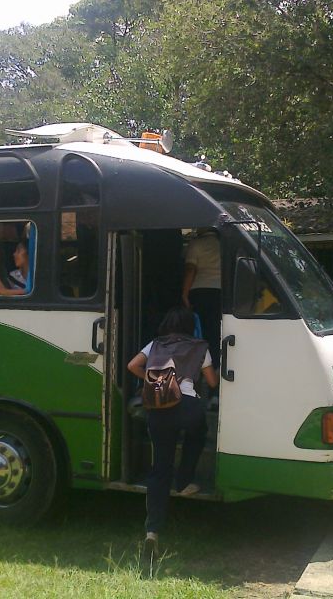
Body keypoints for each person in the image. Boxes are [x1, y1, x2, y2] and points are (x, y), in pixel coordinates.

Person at [127, 306, 219, 563]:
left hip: (160, 405)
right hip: (188, 405)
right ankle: (184, 482)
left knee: (160, 467)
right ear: (191, 326)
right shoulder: (200, 346)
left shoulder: (155, 344)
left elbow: (132, 365)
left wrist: (153, 380)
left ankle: (152, 532)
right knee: (197, 434)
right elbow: (212, 382)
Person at [182, 229, 221, 368]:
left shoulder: (196, 244)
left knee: (199, 331)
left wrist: (184, 294)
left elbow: (190, 270)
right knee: (215, 331)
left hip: (200, 292)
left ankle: (199, 366)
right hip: (219, 292)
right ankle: (214, 366)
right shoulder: (222, 244)